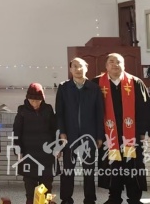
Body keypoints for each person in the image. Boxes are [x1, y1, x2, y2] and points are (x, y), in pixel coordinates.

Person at [94, 53, 150, 204]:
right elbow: (91, 111)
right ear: (106, 65)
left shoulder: (135, 82)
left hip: (132, 134)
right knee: (112, 166)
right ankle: (114, 197)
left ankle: (134, 198)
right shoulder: (96, 83)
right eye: (111, 62)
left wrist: (143, 131)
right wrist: (97, 134)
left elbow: (145, 108)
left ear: (124, 65)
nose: (115, 64)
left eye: (118, 62)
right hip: (108, 134)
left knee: (132, 166)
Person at [55, 58, 104, 204]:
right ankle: (66, 199)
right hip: (69, 136)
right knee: (68, 170)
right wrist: (62, 132)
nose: (78, 69)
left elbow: (99, 113)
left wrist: (99, 136)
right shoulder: (64, 87)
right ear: (70, 69)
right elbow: (59, 113)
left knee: (89, 171)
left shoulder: (94, 88)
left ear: (86, 68)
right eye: (74, 66)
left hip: (89, 136)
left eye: (81, 66)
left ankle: (90, 199)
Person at [13, 83, 58, 204]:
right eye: (32, 100)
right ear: (27, 98)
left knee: (47, 188)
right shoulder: (22, 110)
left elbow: (55, 129)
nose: (35, 103)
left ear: (42, 99)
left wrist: (57, 147)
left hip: (46, 154)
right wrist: (18, 149)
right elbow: (16, 131)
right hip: (29, 154)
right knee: (30, 189)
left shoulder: (48, 109)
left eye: (38, 100)